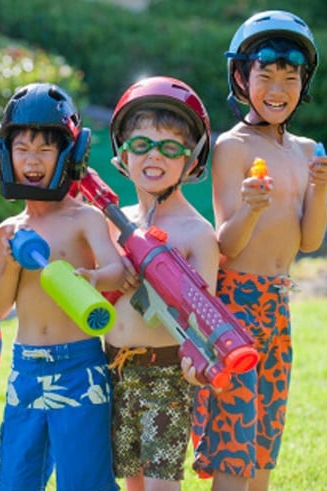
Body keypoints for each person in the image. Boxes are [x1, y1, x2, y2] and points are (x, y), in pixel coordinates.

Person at [191, 10, 327, 491]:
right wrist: (251, 210)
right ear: (240, 77)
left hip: (278, 304)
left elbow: (310, 241)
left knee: (263, 444)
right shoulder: (232, 147)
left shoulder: (306, 149)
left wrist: (320, 190)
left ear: (304, 83)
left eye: (290, 77)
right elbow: (226, 245)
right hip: (235, 305)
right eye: (266, 76)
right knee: (234, 446)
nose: (279, 89)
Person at [0, 82, 126, 491]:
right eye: (23, 148)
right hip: (26, 368)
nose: (32, 159)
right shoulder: (8, 231)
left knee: (84, 479)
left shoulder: (84, 219)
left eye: (45, 149)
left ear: (68, 155)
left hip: (79, 365)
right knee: (16, 479)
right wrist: (11, 264)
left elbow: (116, 269)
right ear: (5, 154)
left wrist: (95, 279)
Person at [104, 76, 219, 491]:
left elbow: (203, 317)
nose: (154, 156)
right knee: (131, 483)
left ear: (191, 161)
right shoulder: (112, 221)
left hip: (166, 376)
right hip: (114, 370)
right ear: (122, 152)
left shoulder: (197, 233)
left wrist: (197, 361)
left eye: (170, 147)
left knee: (161, 486)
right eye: (141, 144)